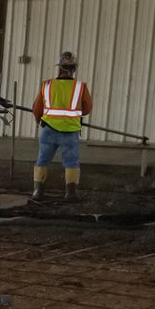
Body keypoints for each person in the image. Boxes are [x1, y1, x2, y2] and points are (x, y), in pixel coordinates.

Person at [31, 51, 93, 201]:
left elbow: (36, 109)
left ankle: (38, 192)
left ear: (59, 68)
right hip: (70, 131)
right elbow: (87, 108)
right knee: (71, 162)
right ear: (74, 69)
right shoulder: (80, 87)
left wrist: (41, 121)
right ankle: (71, 194)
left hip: (49, 130)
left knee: (42, 159)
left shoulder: (47, 85)